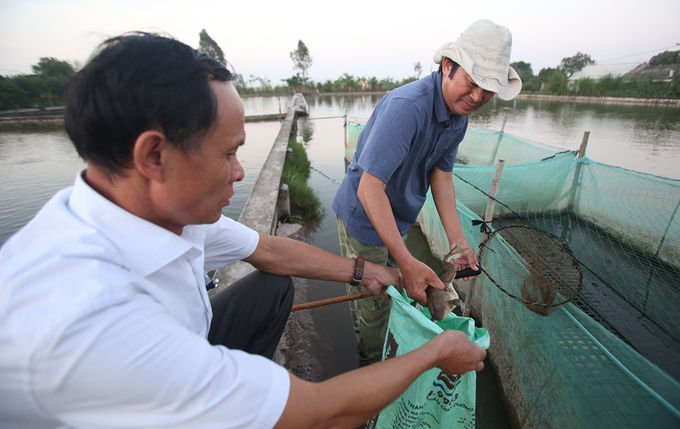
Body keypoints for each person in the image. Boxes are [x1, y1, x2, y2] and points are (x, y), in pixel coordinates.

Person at [0, 33, 486, 428]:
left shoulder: (149, 212)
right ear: (153, 156)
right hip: (134, 378)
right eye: (228, 153)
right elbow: (318, 415)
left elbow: (270, 251)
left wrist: (369, 270)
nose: (239, 171)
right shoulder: (95, 322)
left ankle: (236, 393)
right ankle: (236, 400)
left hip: (174, 343)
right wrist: (435, 351)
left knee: (272, 286)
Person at [332, 19, 522, 364]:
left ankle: (378, 356)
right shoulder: (408, 108)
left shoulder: (458, 117)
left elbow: (442, 177)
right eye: (472, 82)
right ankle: (374, 366)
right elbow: (369, 188)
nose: (477, 97)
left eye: (489, 90)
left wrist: (457, 239)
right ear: (448, 66)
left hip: (397, 218)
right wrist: (406, 260)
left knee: (390, 293)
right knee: (373, 301)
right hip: (364, 217)